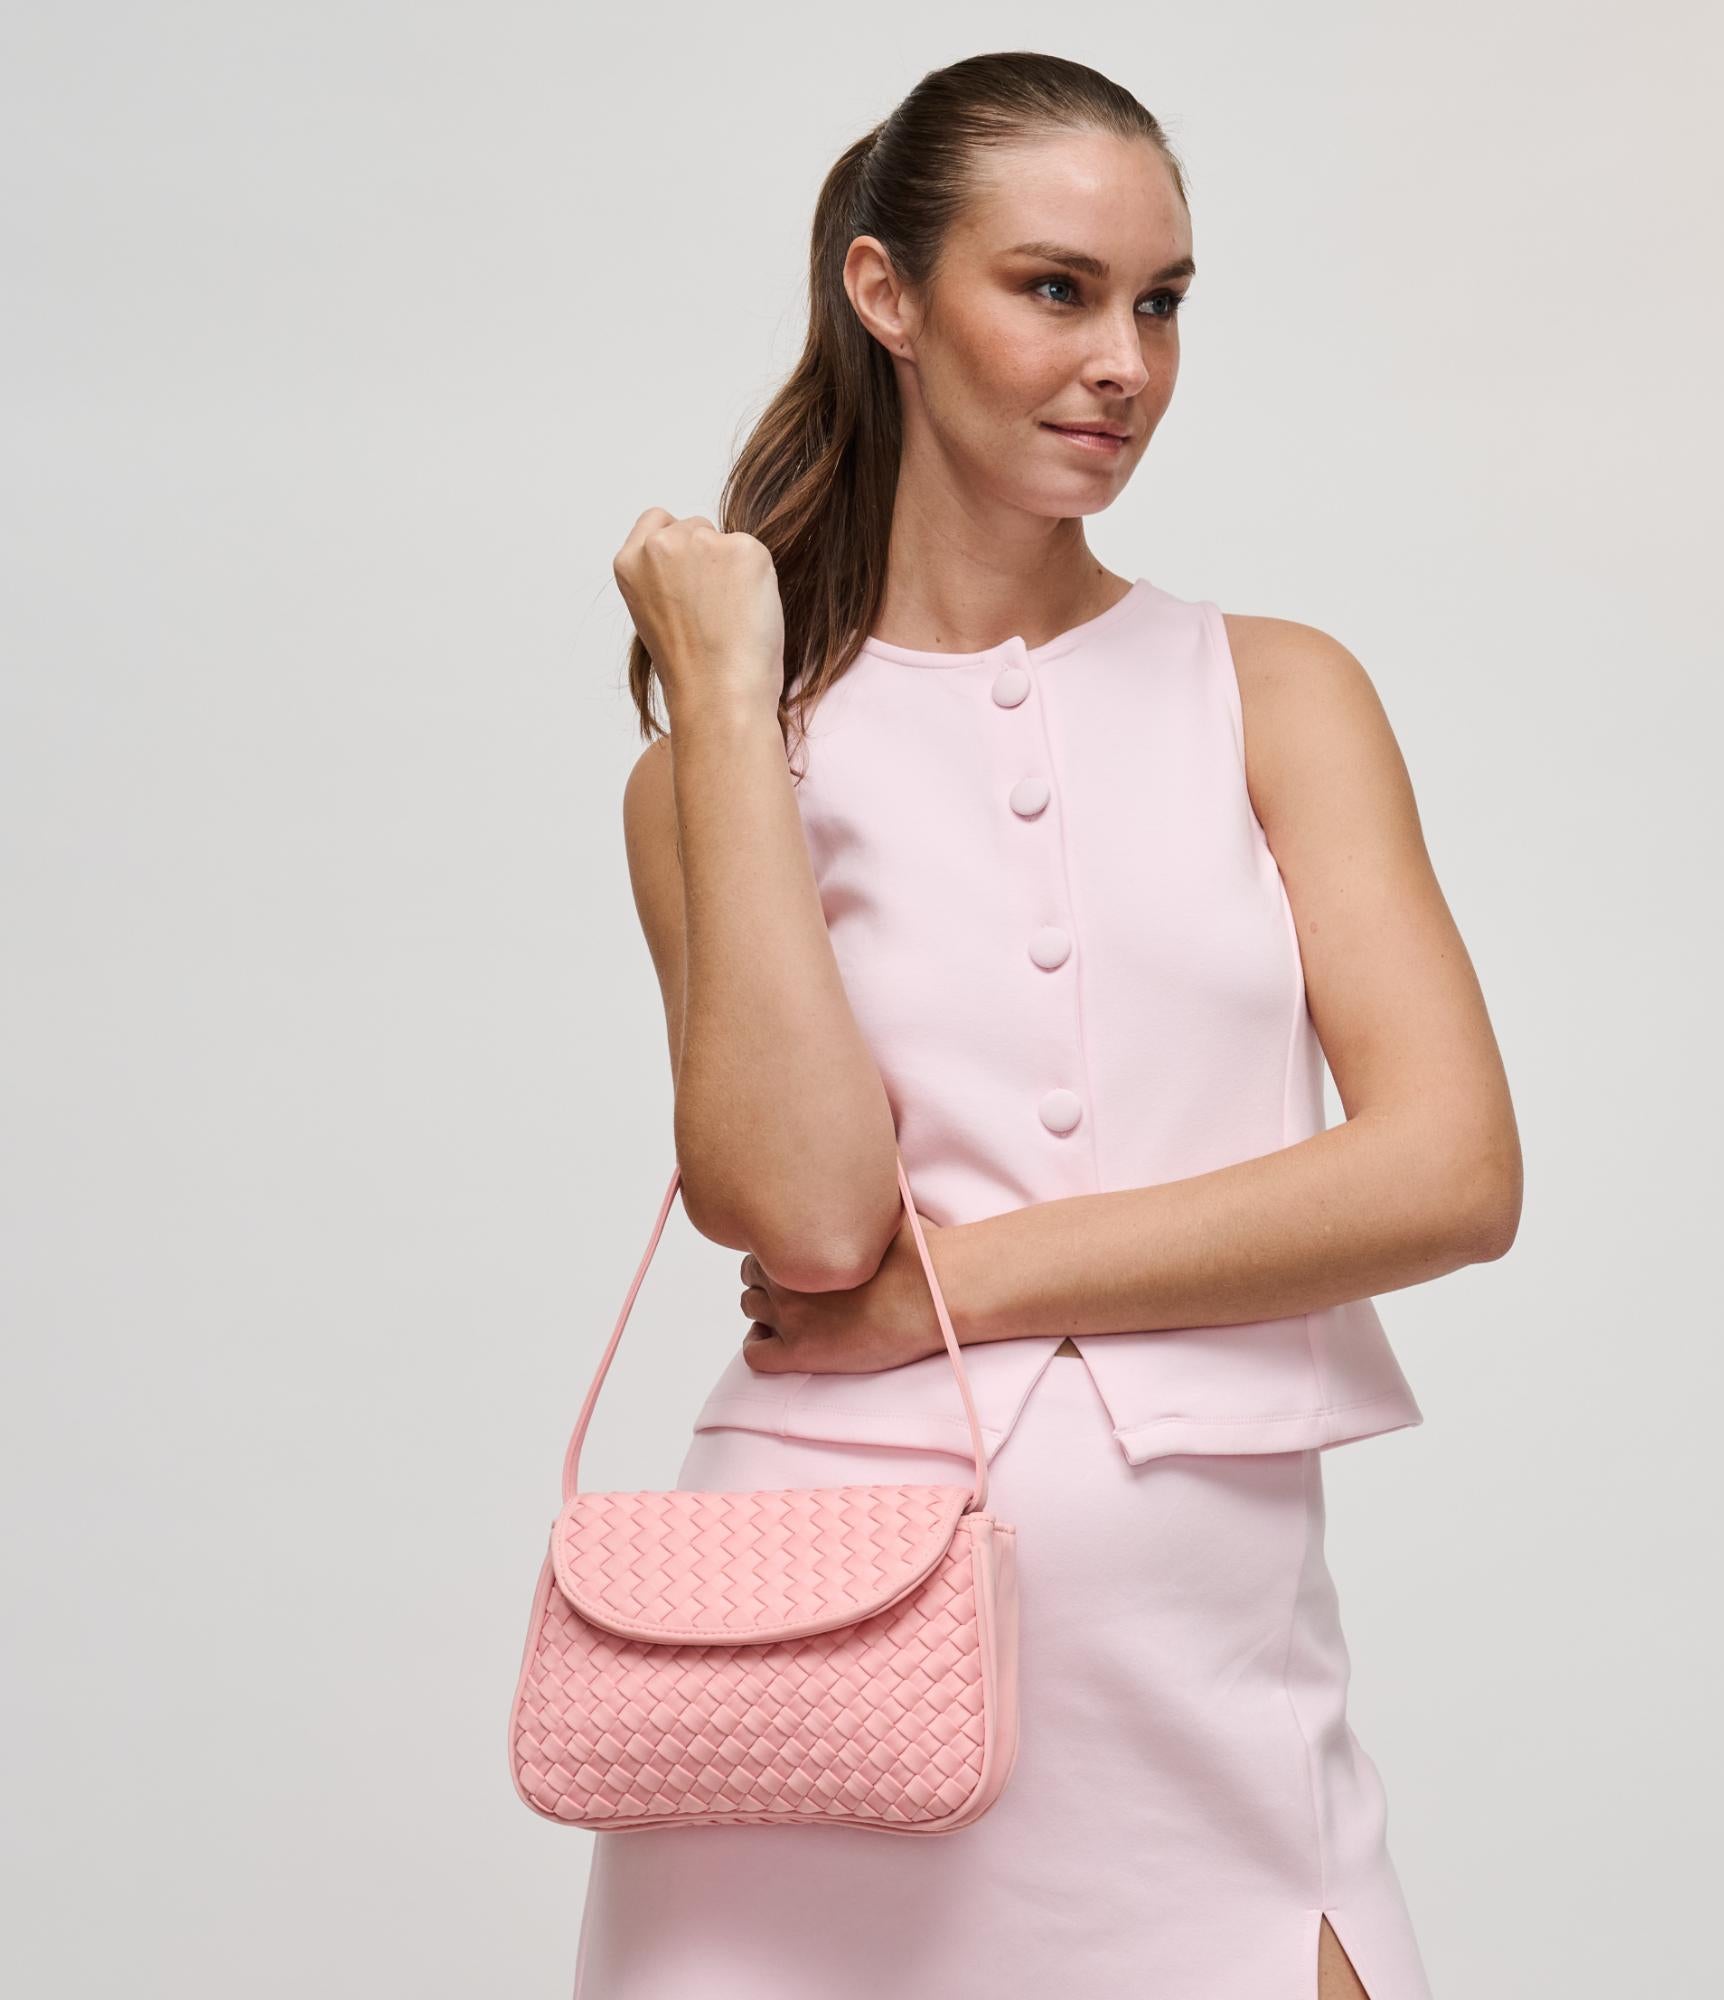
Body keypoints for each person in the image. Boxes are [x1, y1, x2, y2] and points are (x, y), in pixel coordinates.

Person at [585, 49, 1520, 2000]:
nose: (1123, 364)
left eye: (1158, 303)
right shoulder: (717, 770)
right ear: (887, 293)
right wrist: (733, 695)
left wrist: (966, 1283)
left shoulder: (1276, 693)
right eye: (1055, 289)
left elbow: (1450, 1171)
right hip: (808, 1665)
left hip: (1198, 1690)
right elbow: (808, 1217)